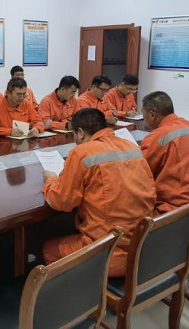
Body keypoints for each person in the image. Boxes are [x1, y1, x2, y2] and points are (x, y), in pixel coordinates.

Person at [41, 108, 156, 277]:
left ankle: (86, 288)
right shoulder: (132, 147)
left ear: (80, 133)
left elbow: (62, 201)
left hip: (109, 252)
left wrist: (50, 181)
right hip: (143, 245)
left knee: (48, 250)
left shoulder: (82, 152)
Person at [139, 91, 189, 240]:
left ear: (152, 115)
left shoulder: (157, 137)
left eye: (143, 115)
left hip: (180, 219)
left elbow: (141, 175)